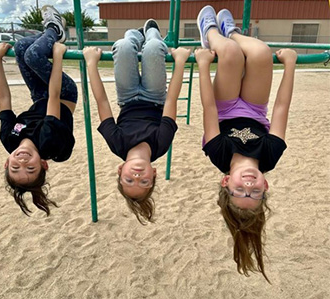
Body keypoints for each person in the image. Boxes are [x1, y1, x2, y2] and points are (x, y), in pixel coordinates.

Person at [195, 6, 297, 281]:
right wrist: (290, 65)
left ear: (227, 182)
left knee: (228, 55)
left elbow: (209, 109)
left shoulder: (218, 154)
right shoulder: (270, 155)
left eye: (241, 190)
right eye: (255, 193)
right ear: (266, 186)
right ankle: (233, 31)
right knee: (262, 53)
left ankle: (211, 31)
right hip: (255, 108)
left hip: (224, 107)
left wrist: (204, 66)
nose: (249, 186)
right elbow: (280, 109)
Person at [83, 19, 191, 224]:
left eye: (129, 179)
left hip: (127, 96)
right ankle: (151, 33)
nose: (137, 175)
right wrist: (180, 63)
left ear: (120, 170)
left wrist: (91, 64)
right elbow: (171, 100)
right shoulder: (161, 144)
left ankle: (136, 35)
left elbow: (102, 102)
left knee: (123, 47)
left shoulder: (117, 143)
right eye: (144, 181)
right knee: (154, 48)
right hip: (154, 96)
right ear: (154, 173)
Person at [0, 5, 78, 216]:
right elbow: (54, 96)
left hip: (38, 95)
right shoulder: (47, 142)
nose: (22, 162)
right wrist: (57, 57)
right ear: (43, 164)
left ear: (7, 162)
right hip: (63, 95)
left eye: (15, 167)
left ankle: (48, 35)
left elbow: (3, 99)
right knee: (33, 56)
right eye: (30, 168)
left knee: (22, 46)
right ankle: (54, 29)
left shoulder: (9, 138)